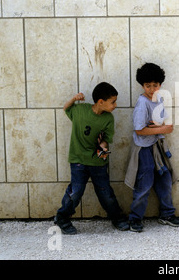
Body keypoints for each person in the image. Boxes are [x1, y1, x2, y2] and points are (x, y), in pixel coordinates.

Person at [54, 82, 129, 234]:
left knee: (105, 192)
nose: (115, 105)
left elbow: (107, 138)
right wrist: (74, 99)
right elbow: (66, 108)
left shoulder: (108, 119)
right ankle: (62, 218)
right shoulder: (80, 110)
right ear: (101, 102)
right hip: (78, 161)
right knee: (76, 191)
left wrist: (103, 147)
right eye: (112, 102)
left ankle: (117, 217)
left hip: (98, 162)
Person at [125, 63, 179, 232]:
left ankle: (167, 214)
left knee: (164, 181)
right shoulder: (142, 103)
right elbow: (139, 129)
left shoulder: (159, 99)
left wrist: (158, 126)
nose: (151, 89)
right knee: (144, 183)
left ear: (160, 85)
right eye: (147, 86)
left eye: (155, 85)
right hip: (143, 149)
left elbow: (161, 121)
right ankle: (135, 218)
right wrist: (162, 129)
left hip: (157, 147)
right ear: (142, 85)